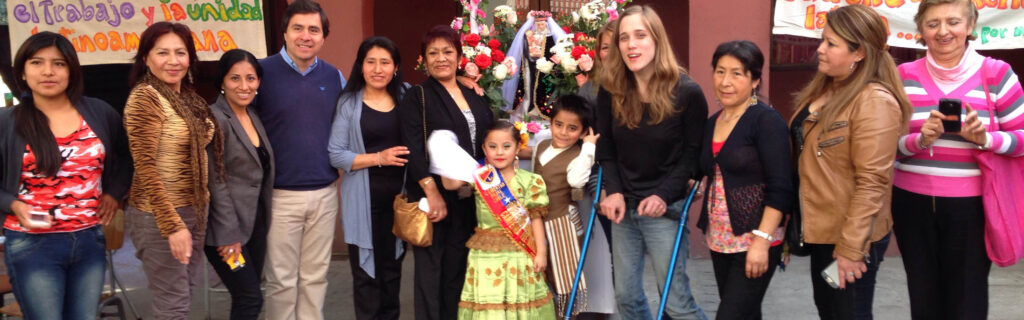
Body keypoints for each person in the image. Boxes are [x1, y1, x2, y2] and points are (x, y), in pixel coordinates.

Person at [892, 0, 1024, 318]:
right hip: (911, 204)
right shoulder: (901, 76)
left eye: (953, 22)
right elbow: (882, 146)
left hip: (973, 207)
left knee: (967, 301)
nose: (943, 31)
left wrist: (985, 139)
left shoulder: (997, 74)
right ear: (920, 29)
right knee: (922, 299)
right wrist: (919, 139)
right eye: (932, 23)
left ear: (970, 26)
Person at [789, 5, 912, 320]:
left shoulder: (874, 101)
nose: (820, 49)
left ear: (858, 53)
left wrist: (850, 249)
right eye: (822, 40)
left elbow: (872, 182)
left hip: (849, 238)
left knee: (848, 314)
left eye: (831, 43)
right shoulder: (828, 88)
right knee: (831, 311)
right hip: (822, 232)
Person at [0, 31, 132, 320]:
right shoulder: (7, 122)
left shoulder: (100, 112)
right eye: (37, 63)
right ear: (22, 71)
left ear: (71, 71)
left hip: (89, 238)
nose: (48, 71)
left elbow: (125, 158)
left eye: (58, 63)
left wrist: (114, 192)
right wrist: (14, 205)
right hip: (32, 243)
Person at [595, 5, 709, 320]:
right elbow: (606, 146)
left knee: (675, 303)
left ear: (657, 39)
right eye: (624, 38)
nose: (631, 45)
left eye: (640, 36)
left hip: (666, 208)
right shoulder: (611, 89)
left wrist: (662, 195)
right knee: (627, 299)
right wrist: (614, 190)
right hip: (624, 206)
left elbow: (692, 156)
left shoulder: (687, 92)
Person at [123, 21, 225, 319]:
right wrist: (172, 225)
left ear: (190, 58)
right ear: (146, 58)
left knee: (182, 296)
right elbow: (145, 168)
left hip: (194, 210)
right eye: (162, 52)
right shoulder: (145, 98)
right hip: (160, 214)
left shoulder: (187, 99)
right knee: (173, 305)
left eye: (180, 53)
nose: (172, 61)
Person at [252, 1, 346, 319]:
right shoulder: (260, 73)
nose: (306, 36)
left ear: (323, 36)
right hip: (279, 195)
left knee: (315, 278)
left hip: (324, 193)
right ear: (285, 32)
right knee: (281, 280)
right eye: (298, 28)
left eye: (314, 30)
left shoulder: (335, 77)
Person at [398, 25, 495, 320]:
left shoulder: (474, 93)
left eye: (448, 52)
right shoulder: (418, 96)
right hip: (435, 199)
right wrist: (431, 191)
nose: (441, 58)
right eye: (433, 53)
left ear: (459, 56)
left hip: (468, 197)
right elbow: (412, 146)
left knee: (459, 269)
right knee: (431, 273)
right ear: (424, 60)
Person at [696, 40, 793, 320]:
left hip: (756, 238)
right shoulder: (712, 122)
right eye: (720, 71)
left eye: (737, 73)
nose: (725, 81)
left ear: (754, 80)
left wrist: (761, 242)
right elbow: (706, 170)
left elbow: (780, 187)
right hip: (719, 238)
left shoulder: (766, 121)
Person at [439, 120, 555, 319]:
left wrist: (541, 253)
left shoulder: (530, 181)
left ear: (519, 147)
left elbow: (536, 219)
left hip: (520, 253)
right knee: (488, 301)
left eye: (506, 146)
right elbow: (450, 185)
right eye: (492, 147)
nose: (499, 152)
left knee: (520, 300)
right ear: (484, 149)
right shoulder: (480, 177)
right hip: (486, 253)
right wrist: (442, 157)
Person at [328, 36, 409, 320]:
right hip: (363, 202)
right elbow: (336, 155)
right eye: (370, 61)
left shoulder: (406, 96)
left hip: (400, 204)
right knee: (366, 280)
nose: (378, 69)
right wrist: (379, 158)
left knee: (392, 275)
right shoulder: (349, 103)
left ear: (395, 67)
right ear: (360, 66)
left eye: (385, 62)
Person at [204, 49, 274, 320]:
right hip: (226, 232)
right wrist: (227, 235)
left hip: (253, 224)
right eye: (235, 78)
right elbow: (215, 180)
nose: (244, 86)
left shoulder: (251, 115)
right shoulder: (214, 119)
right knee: (249, 298)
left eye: (251, 78)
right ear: (222, 81)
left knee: (248, 296)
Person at [530, 94, 614, 317]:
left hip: (562, 225)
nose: (563, 132)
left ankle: (570, 315)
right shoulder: (542, 145)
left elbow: (576, 181)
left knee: (566, 281)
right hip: (538, 222)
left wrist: (588, 147)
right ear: (550, 123)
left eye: (572, 128)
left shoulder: (579, 154)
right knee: (542, 275)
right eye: (558, 125)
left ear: (584, 131)